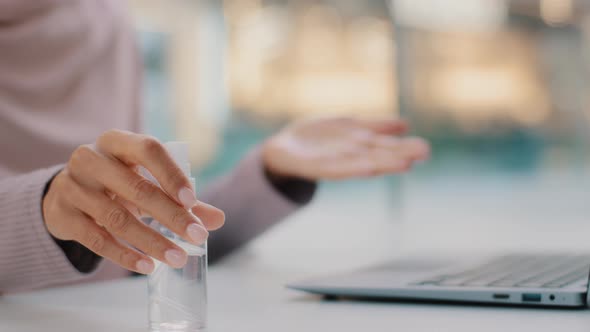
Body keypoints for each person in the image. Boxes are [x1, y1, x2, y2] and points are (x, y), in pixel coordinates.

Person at [0, 1, 430, 294]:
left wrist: (270, 174)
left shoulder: (104, 15)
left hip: (107, 312)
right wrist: (46, 210)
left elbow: (146, 238)